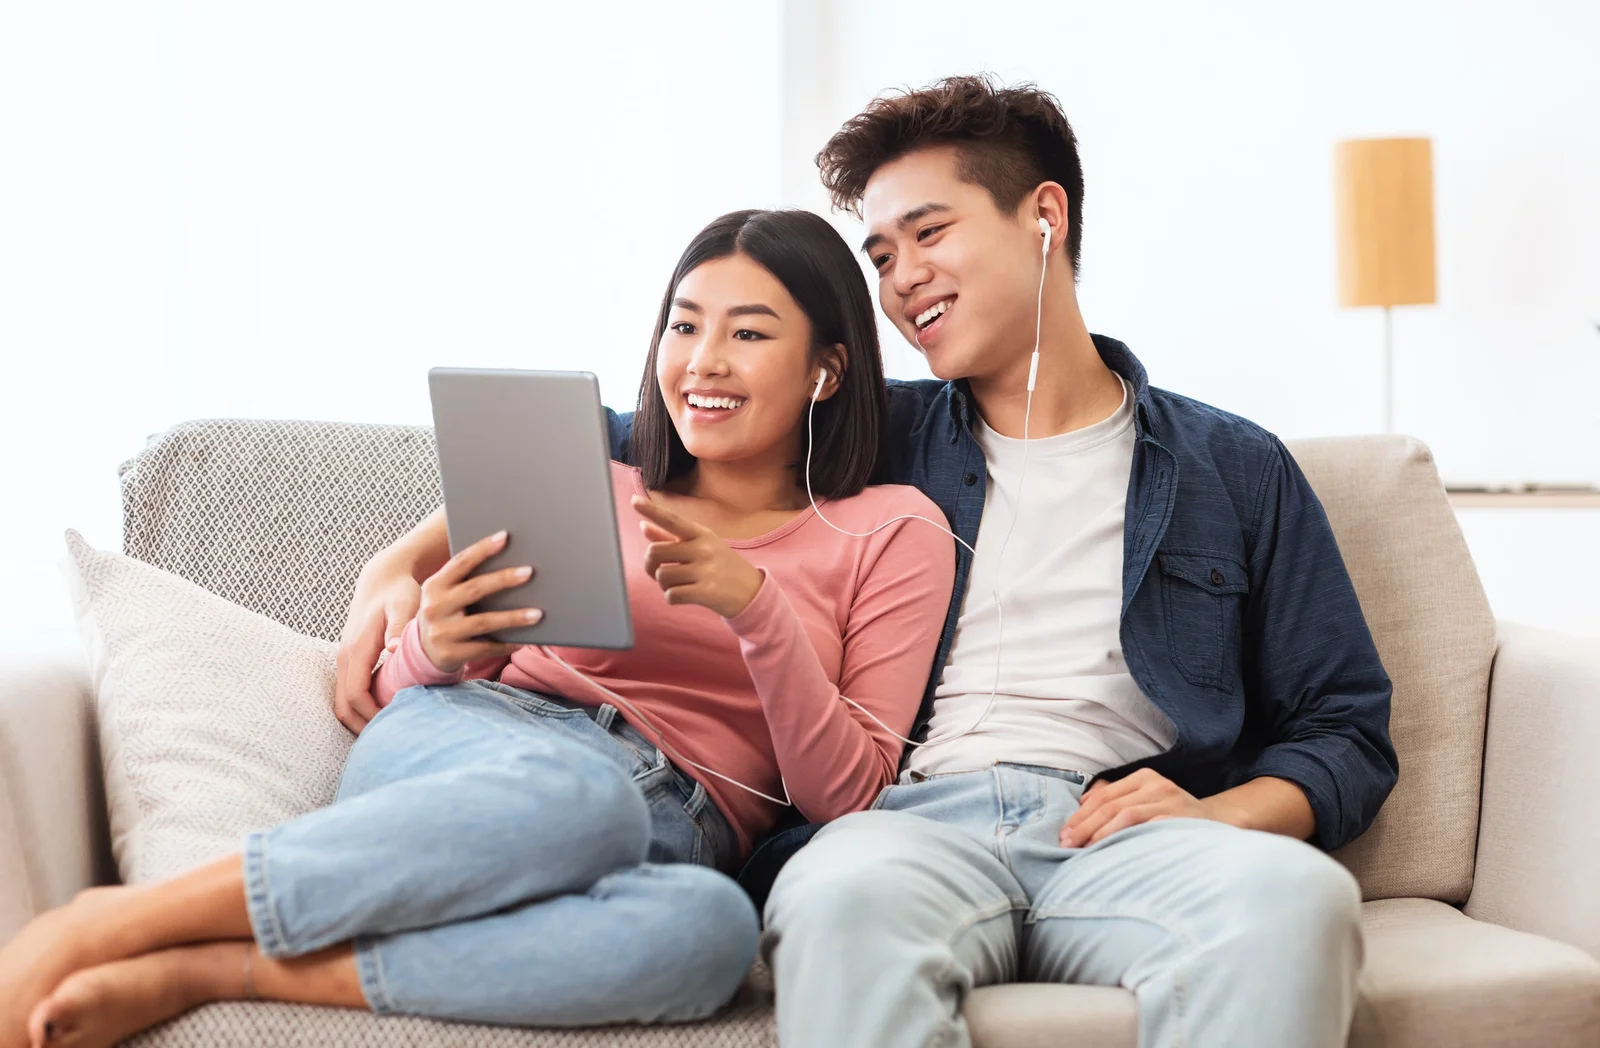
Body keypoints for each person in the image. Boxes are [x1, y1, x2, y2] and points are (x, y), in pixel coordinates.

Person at [341, 77, 1399, 1048]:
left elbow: (1344, 728)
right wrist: (395, 561)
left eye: (927, 233)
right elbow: (619, 435)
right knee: (840, 905)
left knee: (1298, 903)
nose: (899, 281)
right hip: (904, 829)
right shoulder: (865, 431)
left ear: (1044, 217)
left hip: (1113, 827)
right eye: (881, 255)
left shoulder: (1234, 467)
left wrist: (1215, 814)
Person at [0, 208, 955, 1048]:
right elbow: (379, 697)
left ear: (827, 369)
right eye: (683, 324)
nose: (701, 360)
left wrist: (759, 612)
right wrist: (431, 647)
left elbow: (845, 797)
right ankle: (116, 925)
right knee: (583, 798)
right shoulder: (591, 475)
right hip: (490, 746)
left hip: (677, 827)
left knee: (710, 935)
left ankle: (211, 970)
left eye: (747, 333)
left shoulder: (892, 529)